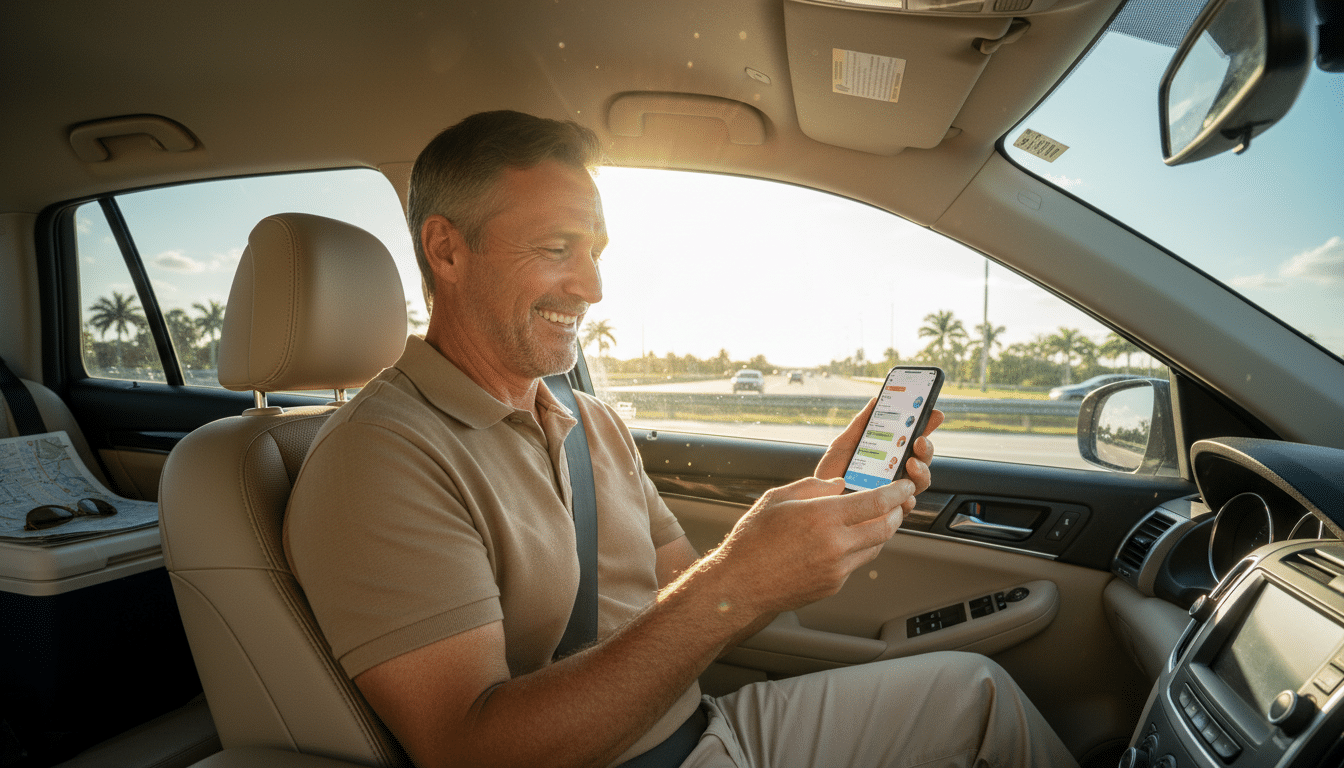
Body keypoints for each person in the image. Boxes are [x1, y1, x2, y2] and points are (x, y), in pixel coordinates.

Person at [285, 110, 1078, 768]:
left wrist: (803, 518)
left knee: (977, 696)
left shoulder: (590, 421)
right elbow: (467, 748)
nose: (593, 287)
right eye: (557, 249)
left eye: (594, 252)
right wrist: (746, 574)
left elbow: (677, 590)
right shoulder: (379, 458)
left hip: (706, 733)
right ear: (446, 249)